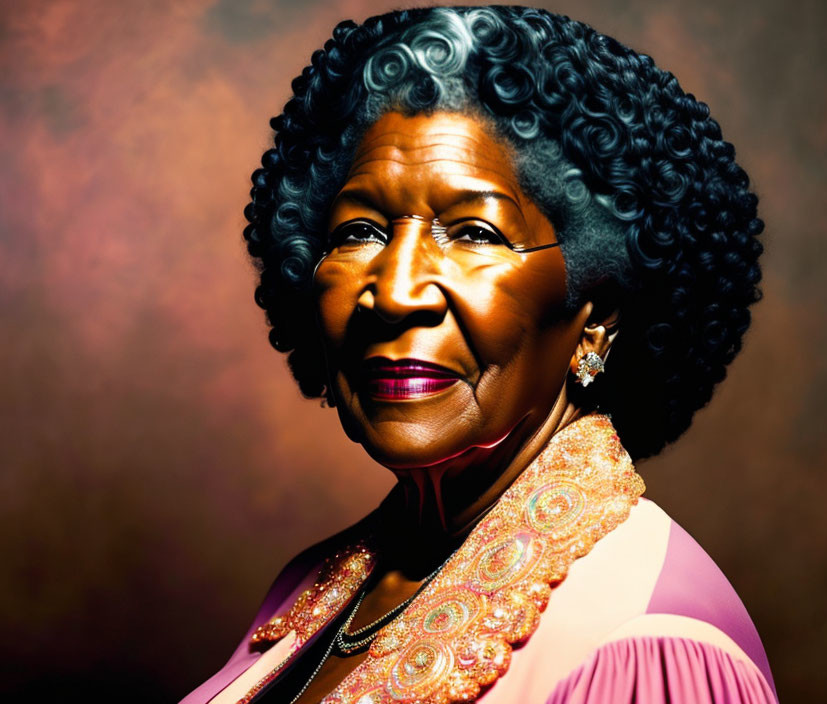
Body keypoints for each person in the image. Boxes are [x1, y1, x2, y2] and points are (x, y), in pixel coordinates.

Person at [183, 6, 776, 703]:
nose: (396, 291)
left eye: (474, 234)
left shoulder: (647, 643)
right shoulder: (308, 588)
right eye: (360, 231)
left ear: (597, 314)